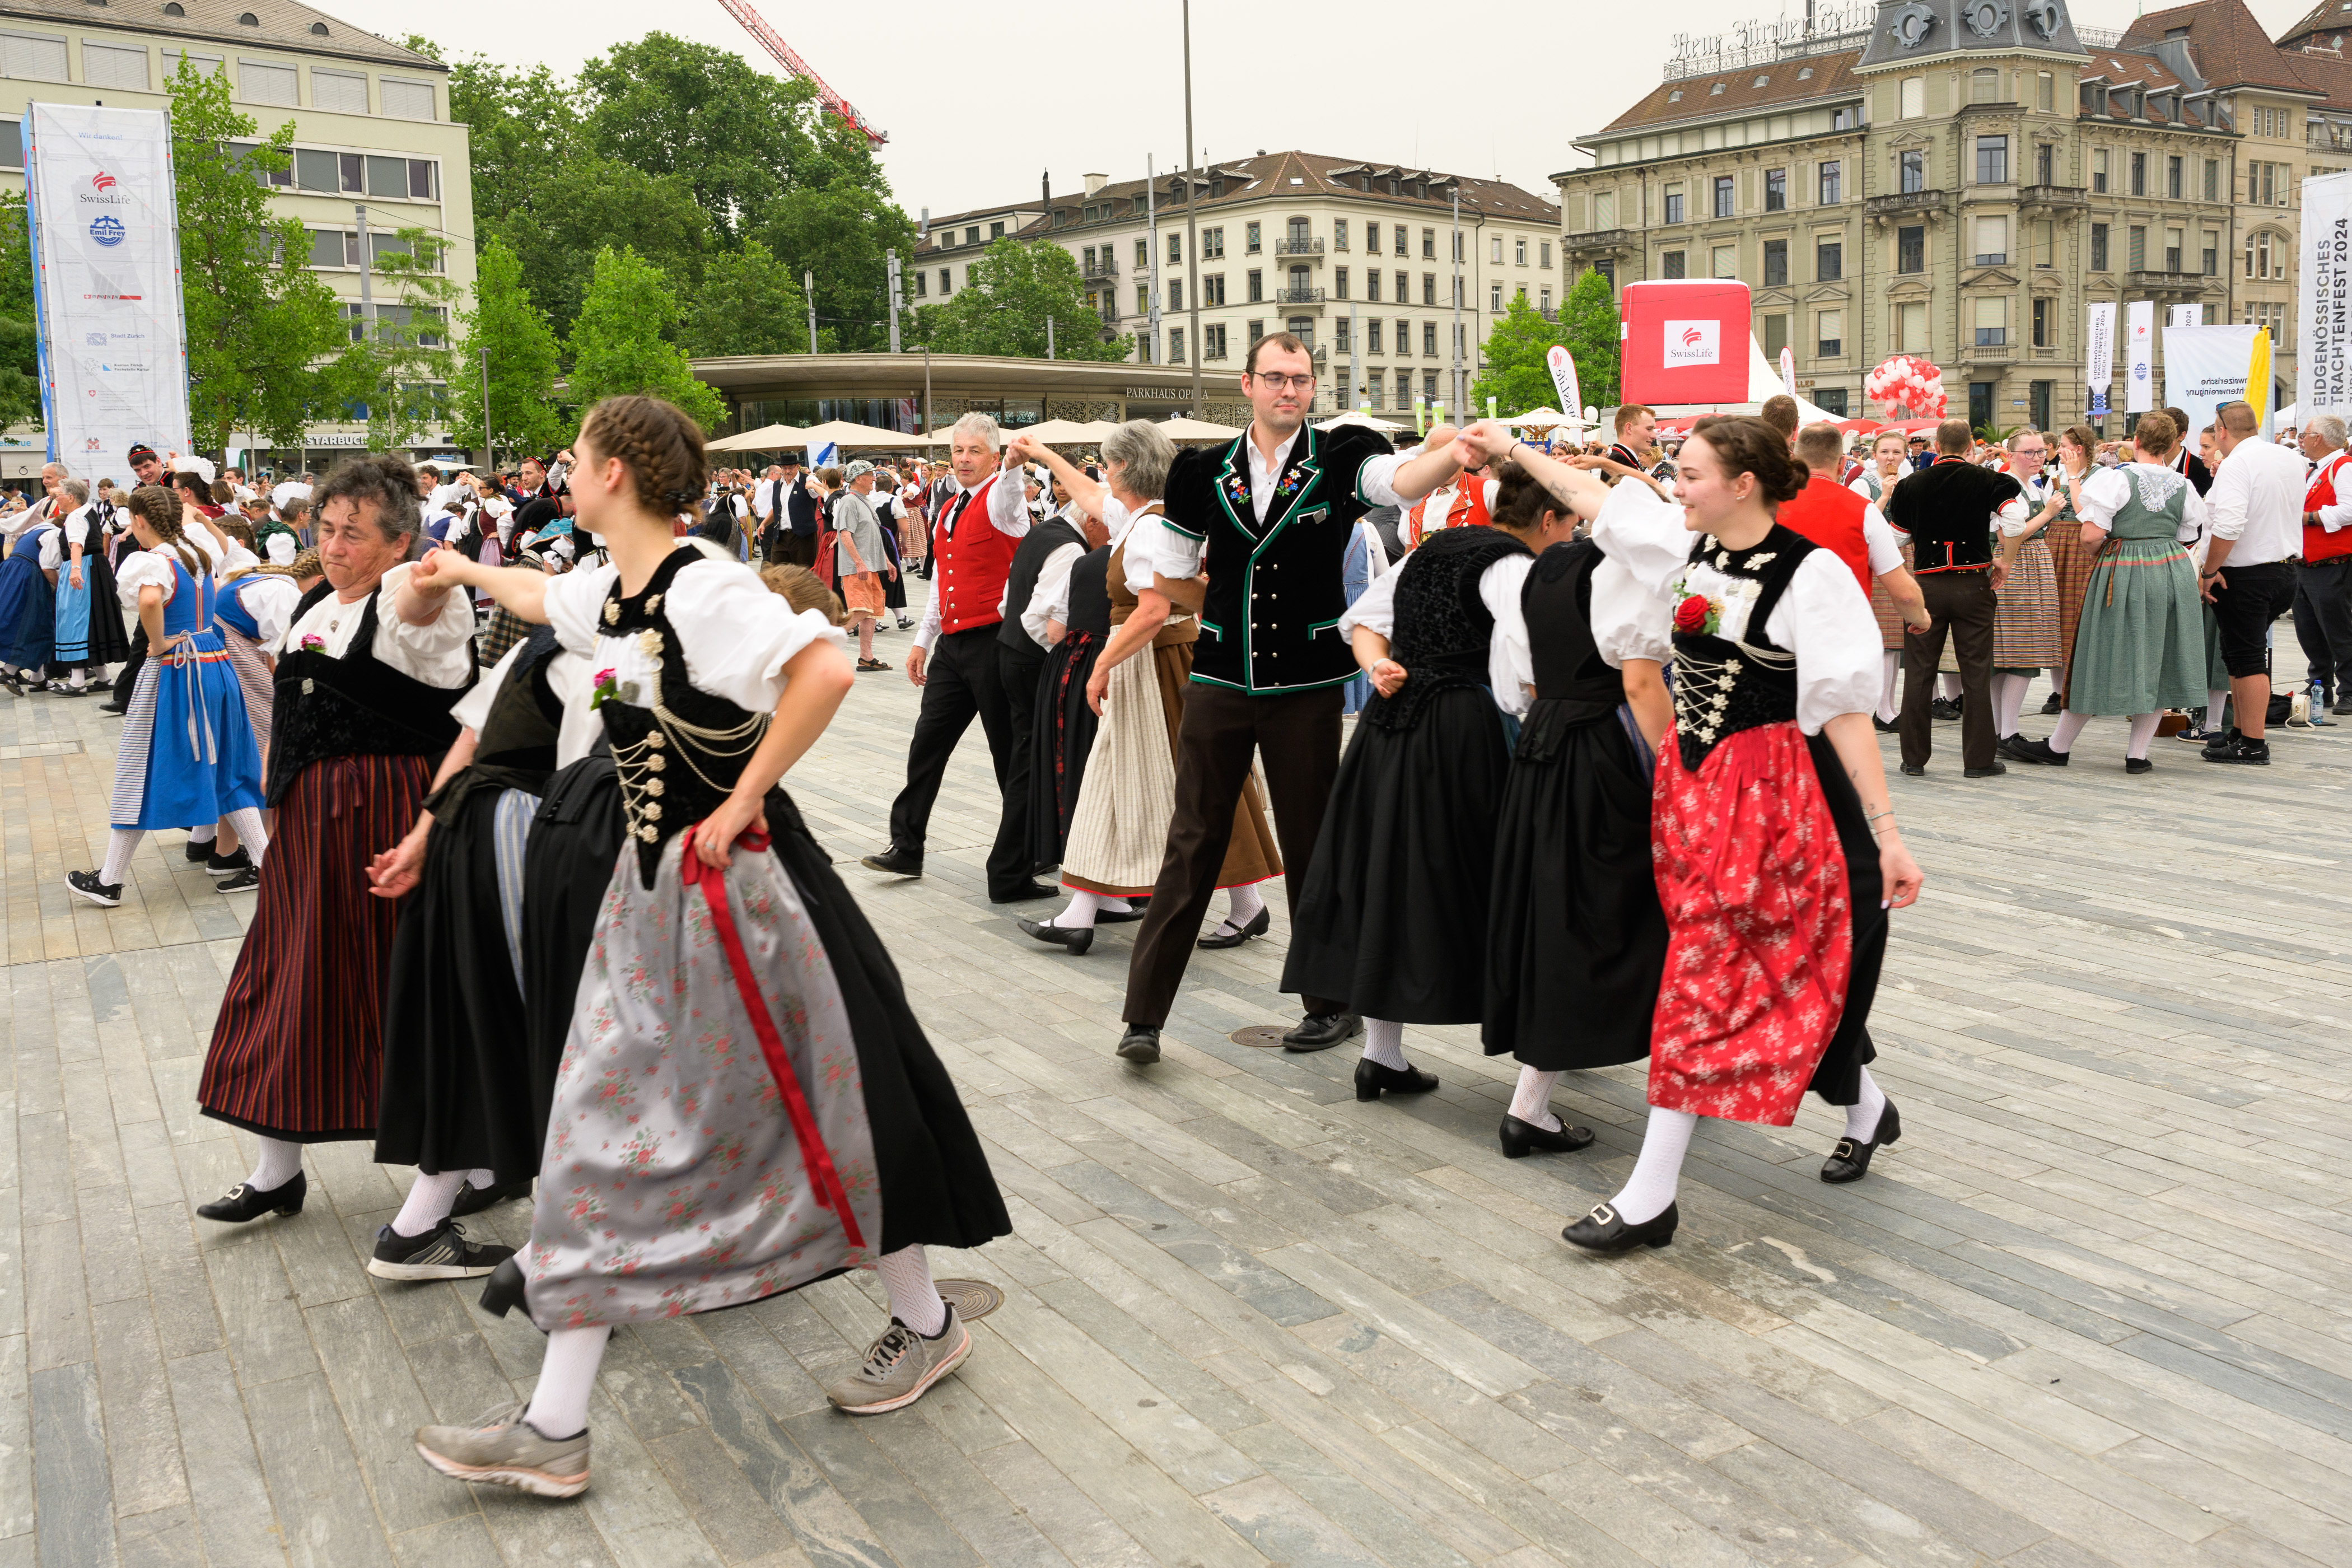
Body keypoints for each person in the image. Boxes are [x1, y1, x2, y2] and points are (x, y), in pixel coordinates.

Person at [405, 395, 1010, 1496]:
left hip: (733, 908)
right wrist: (459, 568)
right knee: (623, 1129)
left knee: (813, 1109)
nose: (564, 472)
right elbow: (545, 593)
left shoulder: (706, 584)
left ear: (618, 476)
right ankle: (562, 1418)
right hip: (653, 913)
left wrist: (741, 798)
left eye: (576, 459)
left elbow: (823, 665)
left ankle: (918, 1323)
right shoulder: (621, 584)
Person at [1561, 417, 1922, 1251]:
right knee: (1756, 974)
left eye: (1687, 475)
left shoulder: (1813, 577)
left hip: (1773, 802)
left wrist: (1889, 834)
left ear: (1742, 483)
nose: (1672, 486)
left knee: (1708, 980)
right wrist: (1512, 455)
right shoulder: (1693, 553)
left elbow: (1844, 712)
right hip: (1696, 795)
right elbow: (1598, 501)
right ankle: (1866, 1106)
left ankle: (1651, 1195)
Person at [1113, 334, 1471, 1064]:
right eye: (1275, 378)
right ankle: (1143, 1018)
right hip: (1221, 675)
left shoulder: (1338, 455)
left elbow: (1399, 481)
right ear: (1246, 384)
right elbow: (1173, 578)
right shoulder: (1199, 471)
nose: (1289, 390)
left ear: (1312, 387)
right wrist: (1225, 605)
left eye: (1300, 380)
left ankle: (1327, 1004)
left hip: (1306, 683)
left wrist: (1455, 454)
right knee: (1192, 842)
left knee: (1315, 844)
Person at [192, 454, 479, 1225]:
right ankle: (276, 1171)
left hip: (388, 816)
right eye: (326, 528)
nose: (336, 543)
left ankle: (471, 1162)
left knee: (400, 988)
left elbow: (420, 605)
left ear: (398, 543)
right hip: (311, 825)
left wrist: (428, 574)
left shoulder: (412, 598)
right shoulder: (318, 605)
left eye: (355, 532)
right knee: (288, 982)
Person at [1282, 446, 1589, 1107]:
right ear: (1548, 519)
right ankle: (1545, 1044)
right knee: (1500, 884)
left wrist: (1378, 668)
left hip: (1391, 734)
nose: (1569, 539)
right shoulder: (1513, 568)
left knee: (1389, 878)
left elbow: (1363, 623)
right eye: (1568, 527)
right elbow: (1524, 671)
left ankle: (1381, 1056)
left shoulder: (1437, 547)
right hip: (1464, 734)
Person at [362, 610, 598, 1281]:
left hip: (473, 829)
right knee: (566, 1037)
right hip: (533, 838)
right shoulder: (621, 647)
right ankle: (565, 1255)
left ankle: (420, 1225)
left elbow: (469, 739)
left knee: (482, 1027)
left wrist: (421, 835)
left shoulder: (541, 642)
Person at [1460, 433, 1672, 1156]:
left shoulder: (1540, 570)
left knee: (1557, 911)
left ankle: (1540, 1096)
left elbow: (1514, 680)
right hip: (1598, 749)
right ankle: (1540, 1101)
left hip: (1545, 745)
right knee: (1604, 914)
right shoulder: (1616, 572)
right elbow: (1641, 681)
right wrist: (1676, 770)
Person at [1015, 422, 1280, 954]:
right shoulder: (1140, 517)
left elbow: (1154, 610)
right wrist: (1043, 454)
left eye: (1109, 464)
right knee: (1138, 781)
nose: (1101, 473)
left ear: (1127, 469)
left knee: (1177, 783)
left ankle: (1085, 912)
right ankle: (1084, 910)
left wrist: (1101, 664)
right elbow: (1090, 495)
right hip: (1151, 663)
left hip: (1161, 665)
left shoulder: (1153, 528)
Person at [861, 413, 1052, 903]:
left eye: (973, 452)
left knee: (1008, 753)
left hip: (996, 644)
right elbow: (940, 582)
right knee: (928, 744)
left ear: (991, 456)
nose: (964, 459)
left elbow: (1010, 493)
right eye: (957, 451)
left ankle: (1024, 854)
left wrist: (1012, 466)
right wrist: (924, 640)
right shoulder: (946, 508)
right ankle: (907, 845)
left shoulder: (1004, 501)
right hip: (953, 645)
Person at [65, 486, 269, 908]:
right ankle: (270, 865)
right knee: (229, 769)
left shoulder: (154, 561)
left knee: (138, 767)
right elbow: (223, 553)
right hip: (216, 665)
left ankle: (110, 880)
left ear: (140, 521)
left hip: (176, 672)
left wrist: (157, 644)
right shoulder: (199, 554)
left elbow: (151, 598)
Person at [2008, 412, 2209, 774]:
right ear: (2171, 443)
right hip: (2170, 569)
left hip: (2125, 567)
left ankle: (2059, 746)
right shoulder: (2183, 485)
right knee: (2158, 656)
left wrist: (2106, 555)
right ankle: (2137, 755)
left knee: (2095, 653)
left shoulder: (2118, 479)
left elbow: (2089, 534)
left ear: (2137, 440)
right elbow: (2188, 533)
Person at [1884, 417, 2025, 778]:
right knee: (1976, 671)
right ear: (1970, 448)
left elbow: (1897, 539)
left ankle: (1913, 759)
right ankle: (1978, 761)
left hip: (1927, 588)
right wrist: (2005, 562)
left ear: (1938, 447)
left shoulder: (1911, 485)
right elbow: (2013, 523)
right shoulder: (1992, 481)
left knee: (1919, 671)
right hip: (1973, 584)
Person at [987, 442, 1089, 892]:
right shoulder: (1070, 550)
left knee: (1027, 762)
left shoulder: (1044, 532)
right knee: (1033, 764)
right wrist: (1063, 664)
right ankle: (1010, 870)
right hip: (1031, 660)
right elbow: (1041, 623)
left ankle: (1026, 859)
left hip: (1010, 652)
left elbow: (1008, 602)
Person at [2200, 401, 2308, 765]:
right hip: (2283, 568)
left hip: (2247, 573)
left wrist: (2209, 570)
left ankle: (2253, 743)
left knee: (2247, 657)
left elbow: (2229, 524)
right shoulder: (2290, 458)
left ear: (2222, 431)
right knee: (2237, 654)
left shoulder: (2236, 463)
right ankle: (2241, 733)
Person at [1987, 430, 2069, 754]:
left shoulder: (2026, 484)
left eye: (2041, 452)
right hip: (2016, 566)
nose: (2037, 458)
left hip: (2028, 564)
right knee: (2021, 652)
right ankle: (2007, 732)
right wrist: (2048, 513)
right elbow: (2010, 538)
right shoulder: (2007, 485)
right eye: (2029, 452)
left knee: (2009, 654)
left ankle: (2000, 730)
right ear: (2010, 455)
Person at [1850, 430, 1916, 729]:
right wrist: (1888, 495)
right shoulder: (1864, 483)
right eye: (1885, 452)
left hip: (1907, 555)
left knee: (1898, 640)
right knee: (1887, 639)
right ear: (1874, 454)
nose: (1891, 458)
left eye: (1897, 453)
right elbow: (1860, 522)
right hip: (1877, 560)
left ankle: (1888, 705)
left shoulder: (1911, 481)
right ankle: (1882, 709)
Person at [49, 478, 130, 696]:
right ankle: (103, 677)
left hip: (83, 566)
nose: (58, 499)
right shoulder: (89, 511)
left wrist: (75, 569)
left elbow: (76, 544)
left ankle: (76, 682)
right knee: (93, 619)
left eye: (60, 495)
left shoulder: (75, 516)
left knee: (76, 620)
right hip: (96, 568)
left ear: (71, 497)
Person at [2295, 416, 2352, 720]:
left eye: (2305, 435)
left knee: (2339, 630)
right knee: (2310, 629)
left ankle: (2350, 689)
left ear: (2319, 438)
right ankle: (2320, 684)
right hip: (2306, 562)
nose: (2301, 440)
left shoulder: (2343, 467)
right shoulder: (2314, 470)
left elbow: (2350, 509)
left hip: (2333, 562)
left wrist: (2309, 518)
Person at [2042, 426, 2101, 714]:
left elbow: (2085, 512)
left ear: (2078, 449)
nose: (2059, 450)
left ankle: (2075, 686)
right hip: (2055, 544)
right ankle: (2057, 690)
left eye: (2064, 445)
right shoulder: (2059, 473)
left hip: (2080, 547)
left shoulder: (2099, 475)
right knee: (2056, 617)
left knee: (2075, 616)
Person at [831, 461, 897, 670]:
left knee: (870, 613)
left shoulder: (864, 500)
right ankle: (823, 645)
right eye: (870, 475)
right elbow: (845, 534)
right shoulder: (849, 501)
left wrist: (886, 561)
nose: (874, 479)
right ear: (859, 479)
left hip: (870, 567)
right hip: (857, 569)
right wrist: (859, 562)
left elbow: (874, 536)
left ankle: (866, 658)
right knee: (860, 610)